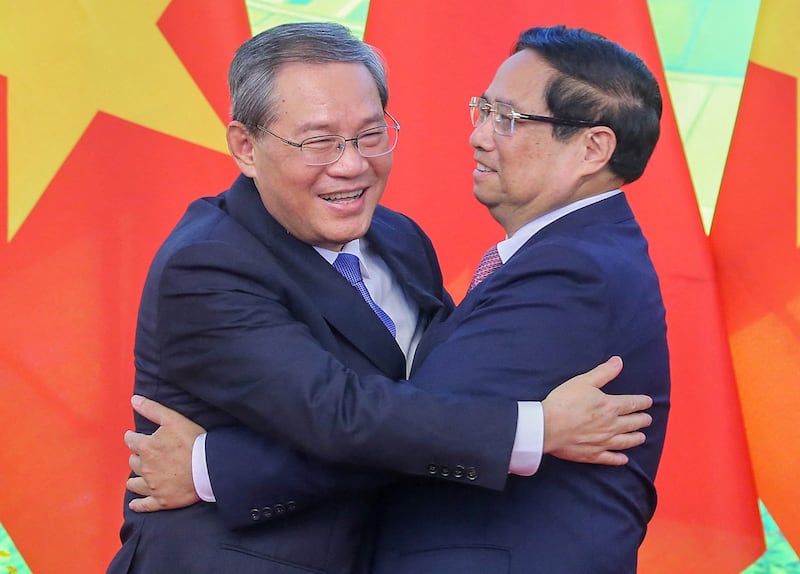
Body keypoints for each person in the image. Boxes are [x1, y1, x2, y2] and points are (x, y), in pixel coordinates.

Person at [108, 22, 655, 574]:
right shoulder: (207, 264)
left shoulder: (398, 237)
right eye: (319, 141)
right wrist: (537, 428)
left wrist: (207, 468)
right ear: (246, 147)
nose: (350, 164)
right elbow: (340, 415)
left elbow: (419, 404)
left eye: (370, 135)